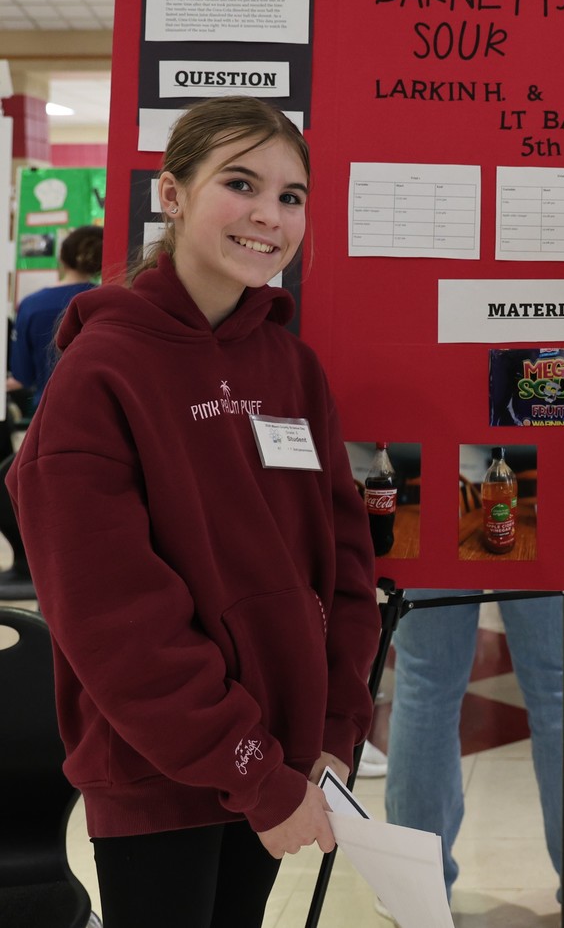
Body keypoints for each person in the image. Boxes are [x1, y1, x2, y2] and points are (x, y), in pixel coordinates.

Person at [6, 96, 381, 928]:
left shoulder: (292, 366)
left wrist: (334, 727)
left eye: (291, 196)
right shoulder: (101, 373)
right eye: (240, 183)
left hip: (284, 760)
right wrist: (250, 765)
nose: (269, 215)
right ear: (172, 195)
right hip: (159, 773)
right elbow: (113, 618)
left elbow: (344, 563)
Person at [384, 590, 564, 928]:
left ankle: (414, 892)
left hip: (432, 534)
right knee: (561, 688)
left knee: (424, 686)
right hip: (546, 538)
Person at [7, 223, 103, 411]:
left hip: (48, 410)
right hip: (100, 410)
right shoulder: (109, 300)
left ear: (62, 257)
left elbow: (22, 375)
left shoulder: (31, 305)